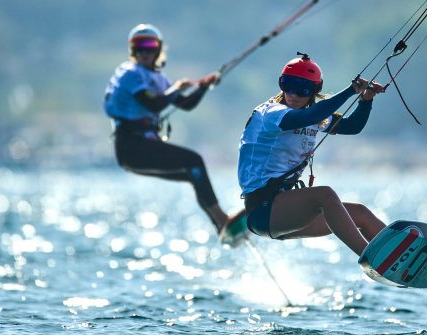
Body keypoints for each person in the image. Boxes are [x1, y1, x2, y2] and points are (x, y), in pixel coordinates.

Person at [104, 23, 247, 246]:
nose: (144, 52)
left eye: (149, 46)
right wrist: (177, 90)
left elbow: (185, 104)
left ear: (158, 49)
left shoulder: (158, 78)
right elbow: (153, 103)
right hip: (131, 147)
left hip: (142, 147)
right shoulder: (130, 74)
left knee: (193, 171)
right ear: (132, 50)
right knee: (194, 160)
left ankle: (222, 227)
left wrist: (203, 87)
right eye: (138, 47)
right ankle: (222, 220)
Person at [238, 52, 387, 255]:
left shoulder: (315, 117)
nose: (293, 94)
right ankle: (373, 259)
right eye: (288, 85)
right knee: (324, 194)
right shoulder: (270, 113)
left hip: (288, 209)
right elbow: (308, 116)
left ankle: (401, 257)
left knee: (360, 213)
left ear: (313, 91)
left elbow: (352, 126)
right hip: (263, 211)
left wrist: (366, 100)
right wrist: (351, 90)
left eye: (302, 89)